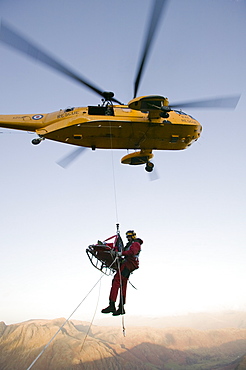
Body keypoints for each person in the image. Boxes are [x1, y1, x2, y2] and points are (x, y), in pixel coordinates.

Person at [101, 230, 143, 316]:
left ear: (133, 236)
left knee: (116, 281)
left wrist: (120, 253)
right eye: (127, 236)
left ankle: (112, 304)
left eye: (129, 236)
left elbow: (132, 252)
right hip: (129, 265)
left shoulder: (135, 244)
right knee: (123, 284)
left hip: (128, 264)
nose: (128, 238)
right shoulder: (131, 244)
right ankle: (121, 307)